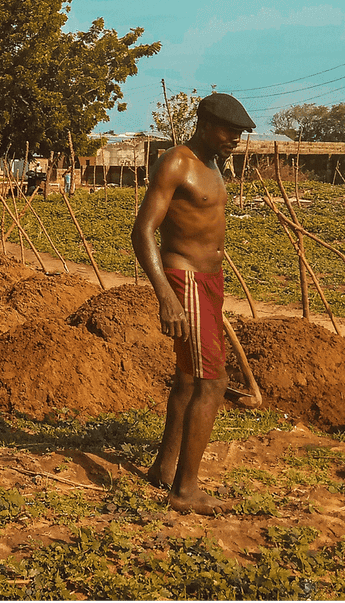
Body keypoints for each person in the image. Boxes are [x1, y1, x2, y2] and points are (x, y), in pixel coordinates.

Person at [131, 92, 256, 515]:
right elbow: (143, 231)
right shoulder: (176, 162)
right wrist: (166, 294)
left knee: (189, 376)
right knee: (213, 383)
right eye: (231, 131)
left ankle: (165, 469)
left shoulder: (215, 165)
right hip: (184, 278)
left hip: (210, 279)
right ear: (204, 123)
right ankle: (185, 490)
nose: (236, 140)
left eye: (240, 133)